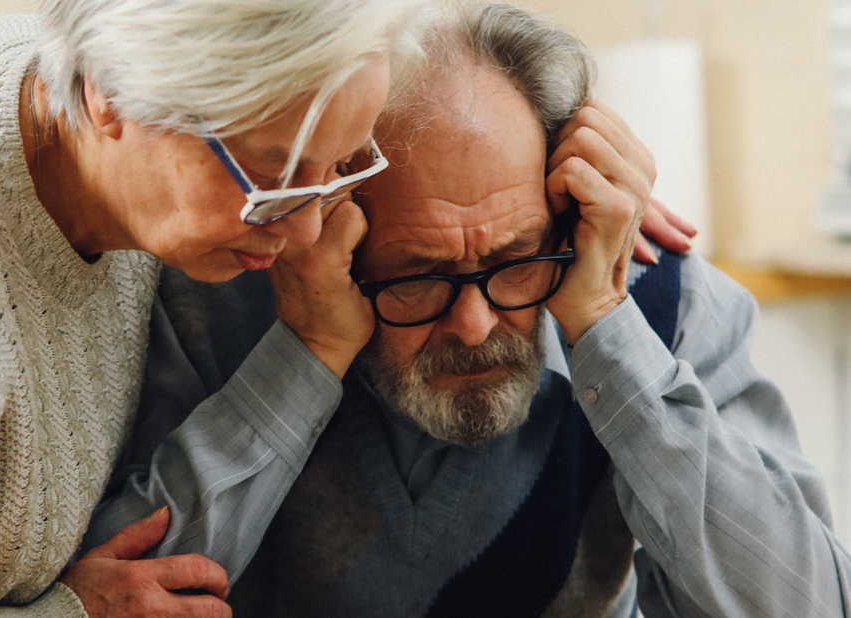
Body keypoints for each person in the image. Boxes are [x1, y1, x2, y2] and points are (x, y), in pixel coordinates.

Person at [81, 2, 851, 616]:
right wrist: (307, 353)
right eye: (416, 277)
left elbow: (803, 603)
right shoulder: (220, 290)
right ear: (331, 220)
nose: (476, 325)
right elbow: (121, 591)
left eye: (515, 261)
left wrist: (610, 336)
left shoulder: (658, 299)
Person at [0, 1, 431, 616]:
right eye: (275, 174)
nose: (308, 232)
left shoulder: (46, 92)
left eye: (341, 164)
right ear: (109, 91)